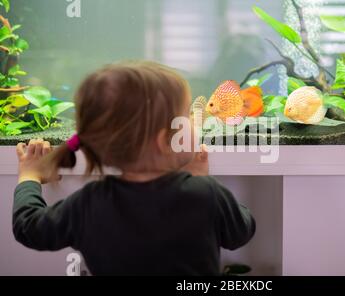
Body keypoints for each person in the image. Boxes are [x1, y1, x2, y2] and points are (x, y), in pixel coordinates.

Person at [12, 61, 256, 276]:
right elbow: (241, 232)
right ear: (165, 142)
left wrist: (29, 176)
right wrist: (199, 178)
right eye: (187, 116)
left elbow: (29, 227)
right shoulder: (206, 194)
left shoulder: (88, 203)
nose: (194, 122)